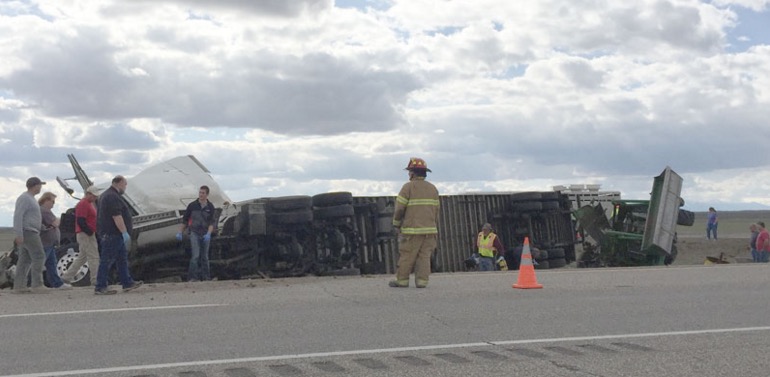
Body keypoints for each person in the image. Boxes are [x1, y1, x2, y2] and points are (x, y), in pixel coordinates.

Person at [389, 157, 440, 288]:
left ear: (413, 173)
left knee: (407, 255)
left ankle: (402, 280)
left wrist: (396, 224)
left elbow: (399, 209)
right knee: (424, 257)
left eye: (409, 172)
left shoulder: (408, 188)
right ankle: (422, 282)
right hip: (430, 231)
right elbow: (436, 211)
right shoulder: (433, 189)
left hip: (412, 231)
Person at [94, 175, 143, 295]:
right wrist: (124, 232)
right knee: (107, 260)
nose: (125, 187)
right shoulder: (112, 196)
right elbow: (117, 216)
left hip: (113, 234)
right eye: (125, 184)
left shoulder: (107, 195)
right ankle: (100, 286)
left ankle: (127, 282)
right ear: (119, 183)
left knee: (122, 260)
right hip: (113, 234)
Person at [12, 177, 47, 293]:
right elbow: (18, 216)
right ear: (35, 186)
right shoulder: (25, 198)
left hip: (30, 231)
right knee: (39, 256)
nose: (41, 187)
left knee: (25, 259)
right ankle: (37, 284)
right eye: (40, 185)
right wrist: (19, 234)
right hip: (28, 232)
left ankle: (19, 285)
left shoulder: (30, 199)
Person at [61, 185, 101, 285]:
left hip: (86, 233)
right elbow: (80, 220)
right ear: (87, 194)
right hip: (85, 234)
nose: (95, 198)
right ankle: (95, 280)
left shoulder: (88, 203)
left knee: (82, 257)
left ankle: (67, 277)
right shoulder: (83, 204)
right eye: (93, 196)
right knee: (94, 256)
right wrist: (89, 231)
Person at [177, 185, 216, 282]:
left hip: (205, 233)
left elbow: (212, 223)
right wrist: (180, 232)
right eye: (200, 192)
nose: (201, 195)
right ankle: (193, 277)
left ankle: (206, 277)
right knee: (195, 256)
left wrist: (209, 234)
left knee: (205, 257)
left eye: (203, 193)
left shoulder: (210, 207)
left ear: (207, 194)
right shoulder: (192, 206)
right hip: (194, 232)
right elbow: (185, 220)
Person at [38, 192, 72, 290]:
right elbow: (56, 222)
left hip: (50, 243)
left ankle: (57, 283)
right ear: (46, 200)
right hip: (46, 242)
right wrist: (56, 221)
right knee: (41, 263)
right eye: (52, 201)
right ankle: (35, 282)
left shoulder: (44, 210)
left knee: (51, 263)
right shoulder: (45, 211)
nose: (54, 203)